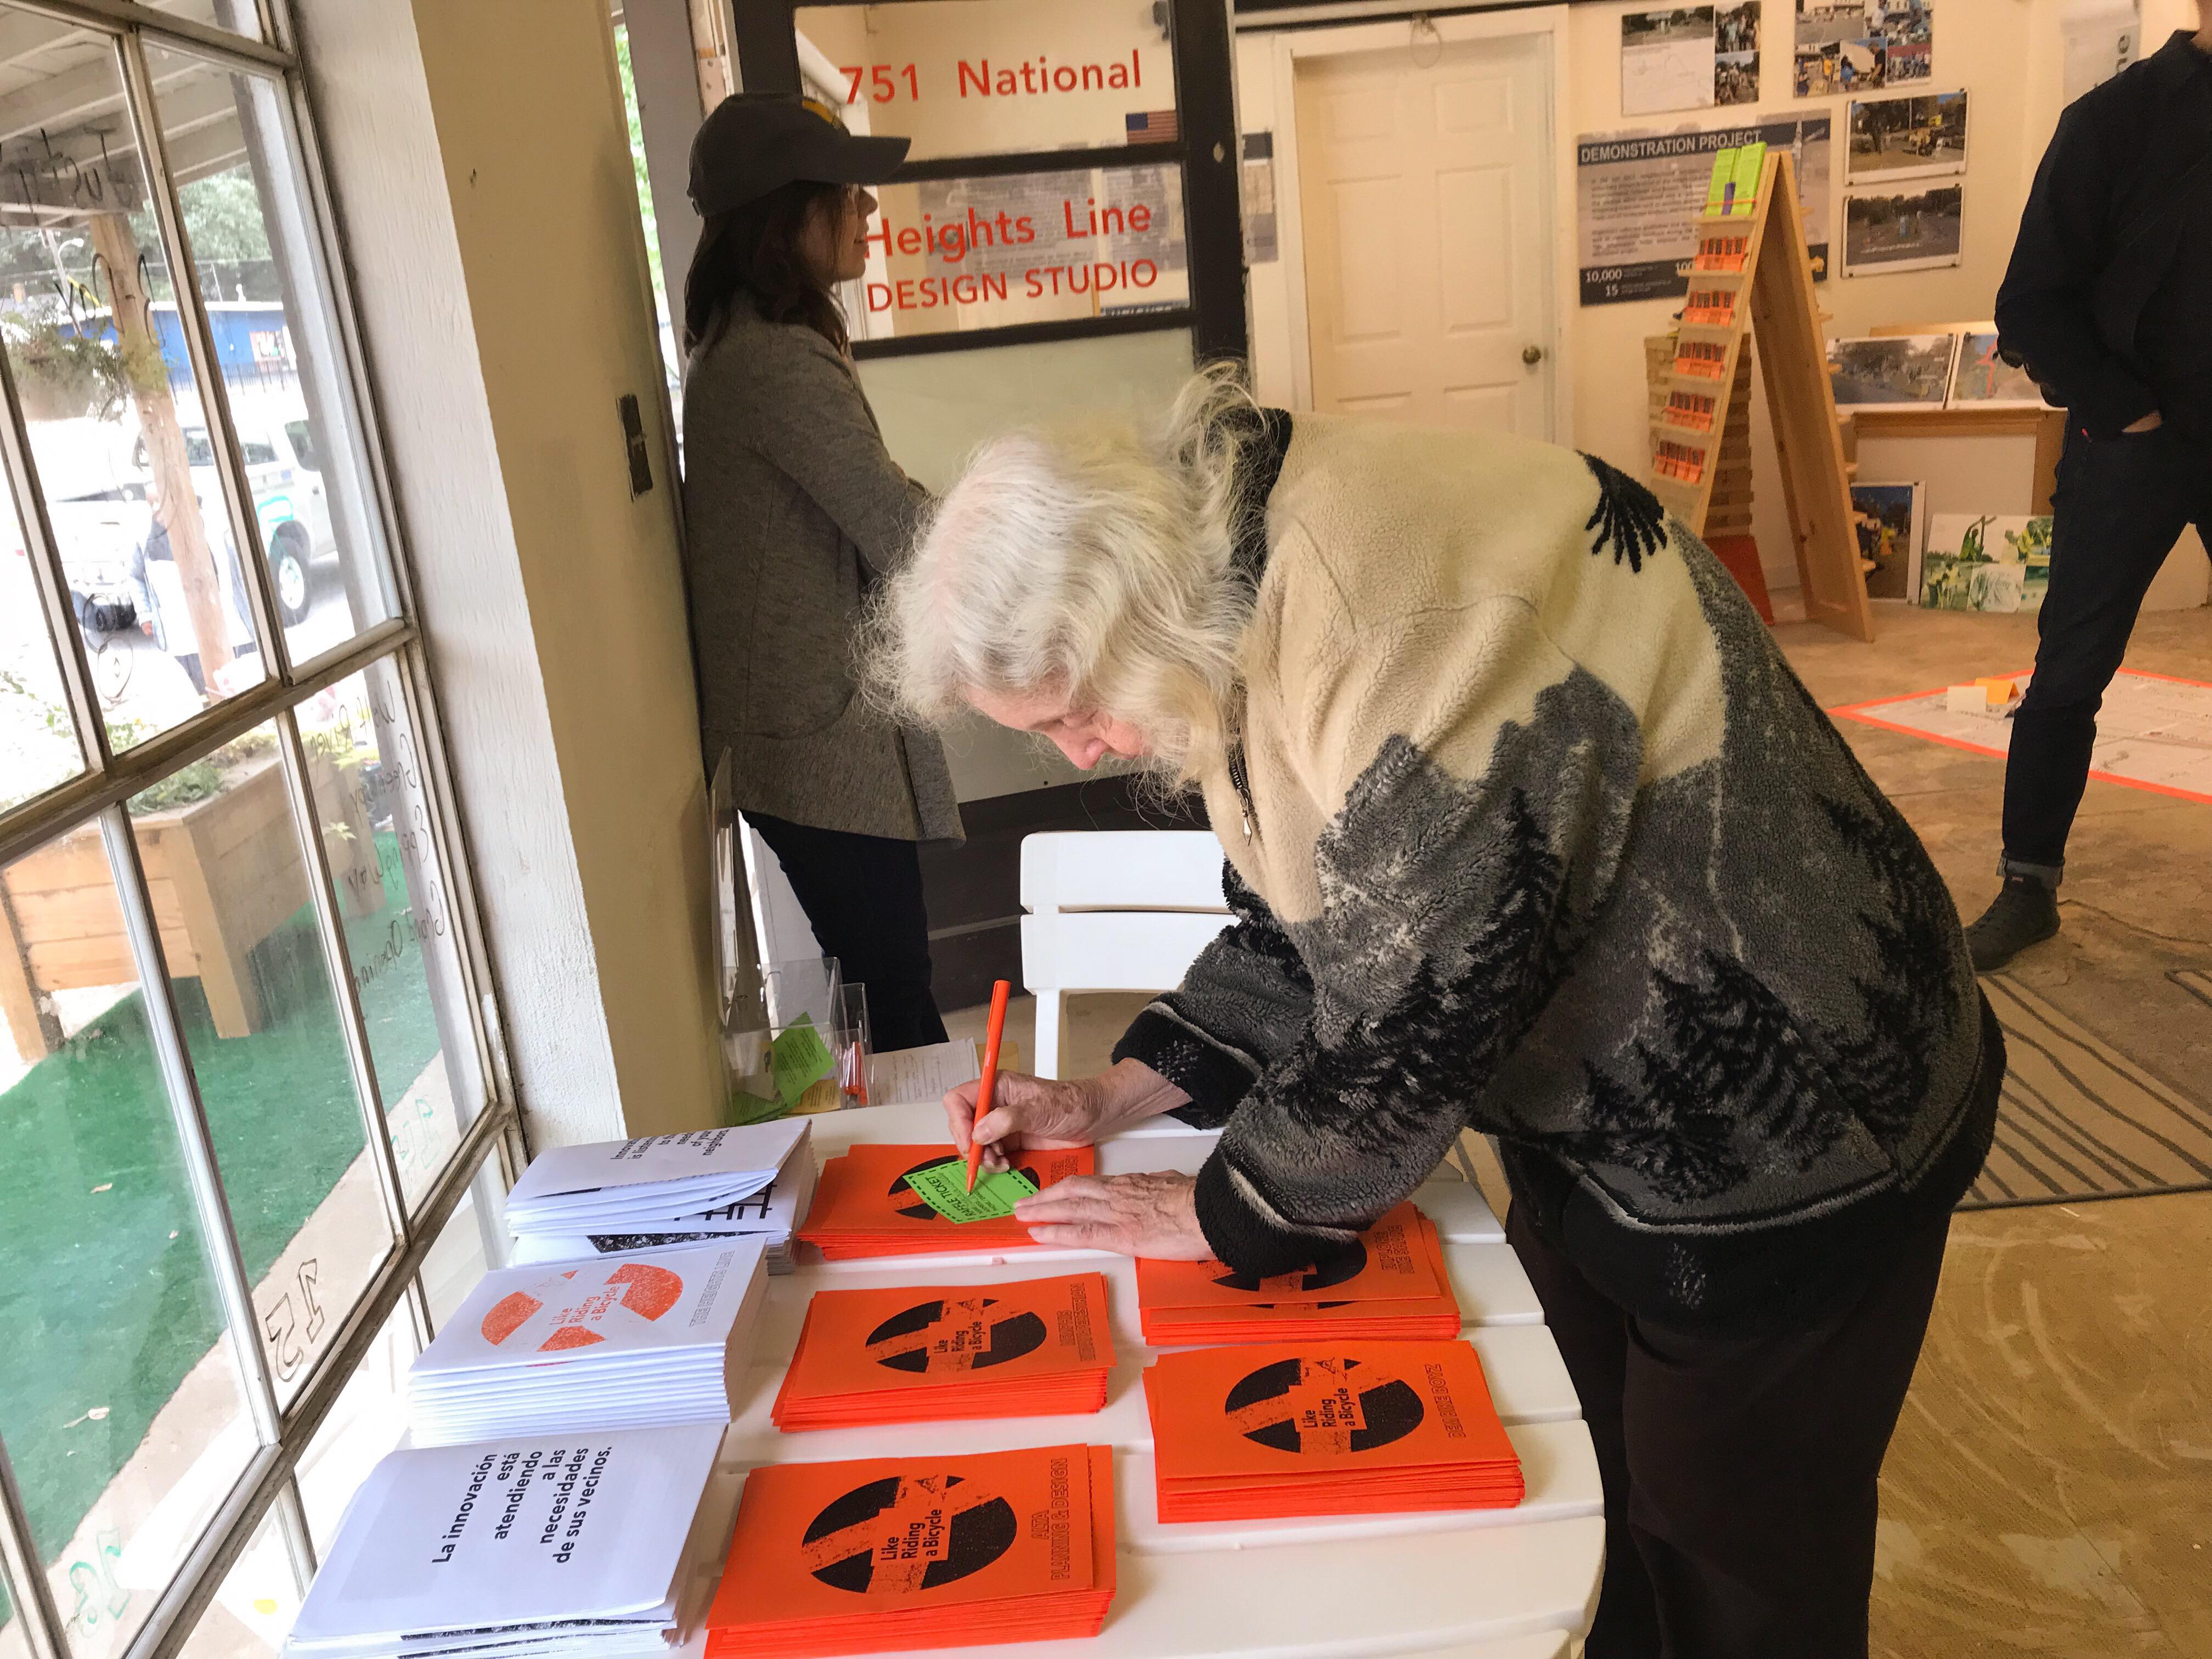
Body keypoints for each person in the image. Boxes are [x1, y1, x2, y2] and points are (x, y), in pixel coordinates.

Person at [869, 373, 2004, 1659]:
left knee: (1729, 1527)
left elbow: (1419, 1013)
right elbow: (1308, 922)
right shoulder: (1219, 571)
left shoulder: (1384, 626)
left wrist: (1219, 1205)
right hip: (1610, 1083)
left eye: (1072, 715)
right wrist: (1105, 1100)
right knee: (1590, 1452)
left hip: (1794, 1084)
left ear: (1123, 615)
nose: (1077, 753)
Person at [679, 93, 961, 1049]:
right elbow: (894, 522)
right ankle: (945, 1196)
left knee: (886, 998)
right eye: (846, 192)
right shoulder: (773, 363)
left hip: (811, 737)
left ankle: (931, 1188)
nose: (867, 211)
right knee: (899, 1008)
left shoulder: (751, 347)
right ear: (785, 216)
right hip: (818, 746)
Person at [1974, 14, 2212, 970]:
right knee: (2071, 669)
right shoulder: (2116, 118)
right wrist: (2123, 411)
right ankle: (2027, 882)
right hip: (2133, 438)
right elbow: (2031, 297)